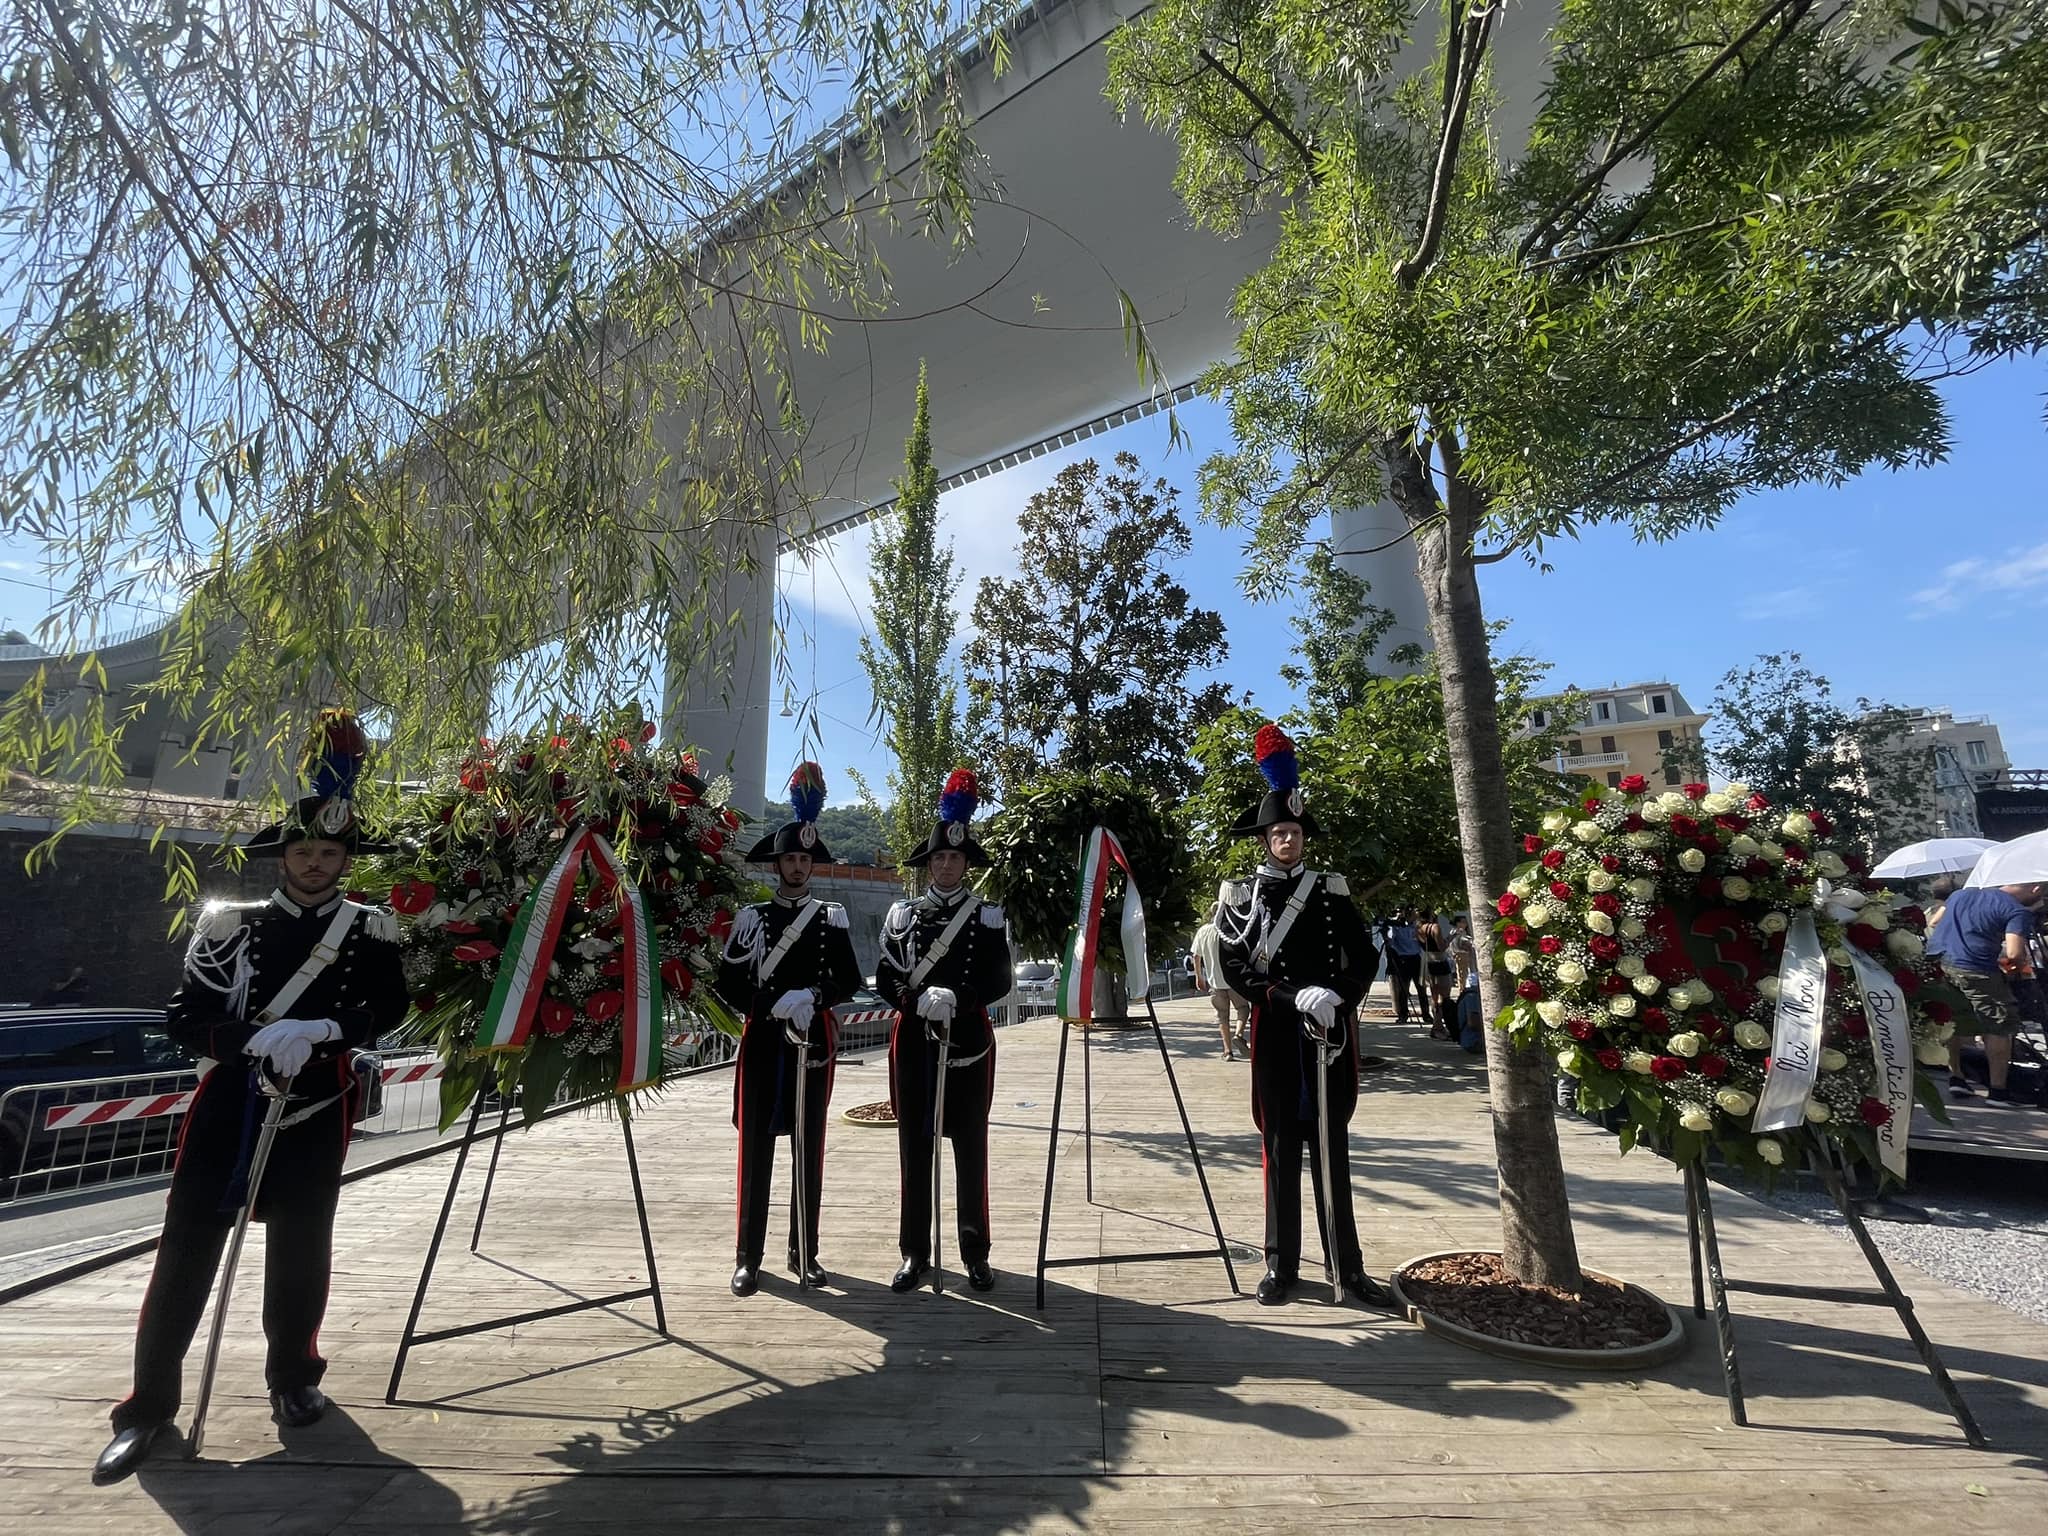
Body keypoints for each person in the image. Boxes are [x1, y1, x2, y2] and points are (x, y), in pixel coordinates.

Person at [94, 711, 406, 1485]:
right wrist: (247, 1042)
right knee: (186, 1251)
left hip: (315, 1104)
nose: (314, 861)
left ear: (343, 859)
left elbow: (390, 1009)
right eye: (303, 849)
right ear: (283, 855)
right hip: (231, 1103)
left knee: (303, 1250)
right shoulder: (229, 927)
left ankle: (294, 1378)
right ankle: (147, 1407)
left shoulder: (372, 932)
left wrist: (328, 1027)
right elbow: (183, 1017)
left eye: (328, 851)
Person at [1217, 723, 1388, 1308]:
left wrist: (1339, 993)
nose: (1286, 841)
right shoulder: (1242, 898)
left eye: (1293, 832)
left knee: (1332, 1148)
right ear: (1264, 839)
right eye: (1277, 833)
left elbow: (1364, 954)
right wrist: (1293, 997)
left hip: (1328, 1036)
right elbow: (1237, 967)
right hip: (1276, 1035)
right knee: (1280, 1150)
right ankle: (1279, 1264)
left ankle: (1350, 1266)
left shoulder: (1330, 889)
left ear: (1302, 837)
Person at [716, 763, 864, 1297]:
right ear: (777, 863)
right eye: (790, 858)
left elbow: (847, 978)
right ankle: (747, 1256)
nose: (798, 866)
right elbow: (726, 985)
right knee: (755, 1149)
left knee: (810, 1147)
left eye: (805, 858)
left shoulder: (831, 917)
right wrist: (772, 1003)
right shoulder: (751, 918)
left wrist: (814, 998)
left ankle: (806, 1251)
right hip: (762, 1042)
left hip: (812, 1044)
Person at [875, 769, 1013, 1293]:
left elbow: (1000, 978)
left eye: (955, 858)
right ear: (928, 864)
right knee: (915, 1146)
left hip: (969, 1042)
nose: (947, 864)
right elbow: (886, 976)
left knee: (970, 1146)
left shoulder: (988, 917)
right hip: (914, 1040)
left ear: (965, 863)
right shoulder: (902, 915)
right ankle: (915, 1252)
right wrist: (913, 1002)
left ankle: (975, 1250)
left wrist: (960, 997)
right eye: (938, 858)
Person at [1927, 877, 2046, 1107]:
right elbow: (2014, 954)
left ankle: (1957, 1077)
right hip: (1977, 968)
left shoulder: (1961, 894)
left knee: (1954, 1022)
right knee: (1999, 1025)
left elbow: (1935, 921)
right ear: (2036, 889)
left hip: (1939, 963)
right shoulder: (2015, 911)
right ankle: (1998, 1092)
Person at [1189, 901, 1247, 1061]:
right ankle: (1239, 1034)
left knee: (1222, 1016)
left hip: (1215, 982)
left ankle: (1227, 1052)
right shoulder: (1232, 931)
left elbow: (1196, 956)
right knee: (1242, 1008)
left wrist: (1199, 977)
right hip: (1234, 981)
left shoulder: (1203, 931)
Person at [1378, 909, 1427, 1030]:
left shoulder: (1416, 927)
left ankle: (1426, 1014)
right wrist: (1385, 935)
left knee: (1421, 988)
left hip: (1416, 958)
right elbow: (1390, 942)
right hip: (1404, 959)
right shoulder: (1397, 928)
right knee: (1403, 989)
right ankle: (1403, 1014)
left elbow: (1422, 941)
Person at [1449, 913, 1485, 1053]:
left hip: (1469, 958)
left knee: (1470, 974)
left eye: (1465, 922)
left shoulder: (1465, 933)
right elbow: (1458, 945)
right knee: (1463, 977)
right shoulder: (1456, 933)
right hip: (1462, 957)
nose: (1464, 924)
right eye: (1462, 922)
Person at [1417, 912, 1455, 1039]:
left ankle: (1437, 1026)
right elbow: (1442, 947)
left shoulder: (1418, 928)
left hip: (1427, 962)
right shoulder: (1434, 927)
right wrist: (1451, 937)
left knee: (1434, 997)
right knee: (1444, 997)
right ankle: (1439, 1027)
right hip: (1439, 962)